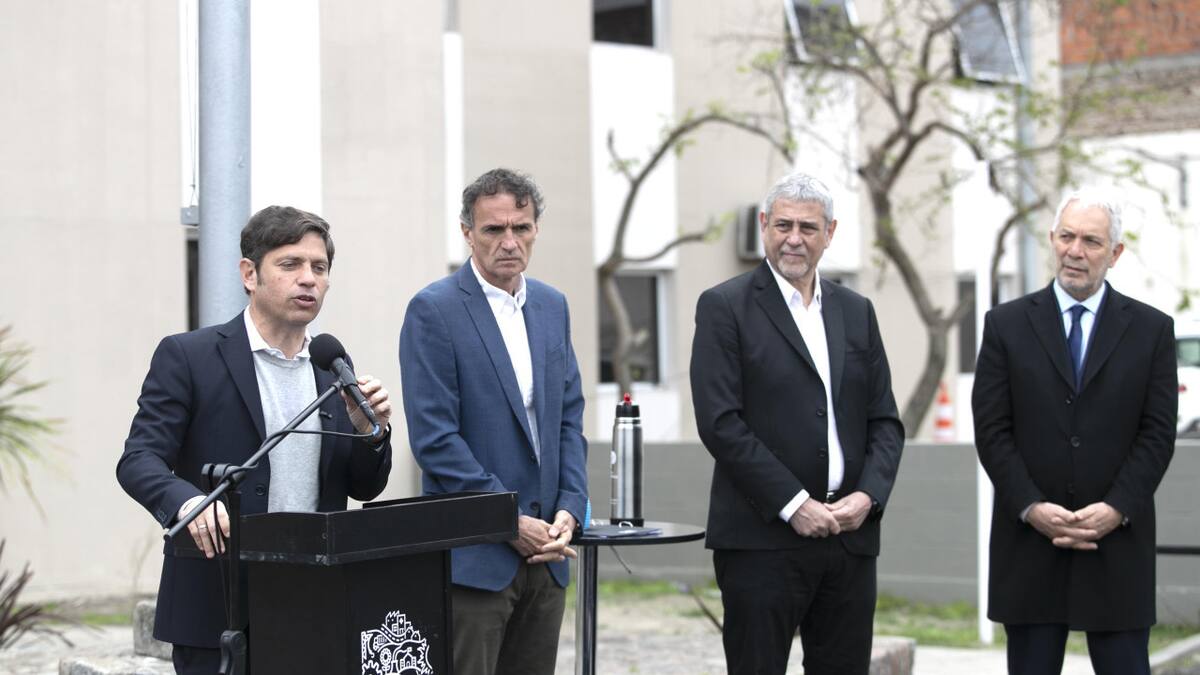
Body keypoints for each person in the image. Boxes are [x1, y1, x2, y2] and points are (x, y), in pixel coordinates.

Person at [117, 206, 393, 674]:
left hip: (313, 602)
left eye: (319, 268)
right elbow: (139, 460)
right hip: (216, 605)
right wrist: (187, 503)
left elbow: (364, 487)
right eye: (290, 265)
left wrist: (371, 432)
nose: (308, 279)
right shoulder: (190, 356)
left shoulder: (332, 370)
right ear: (250, 274)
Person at [689, 171, 904, 674]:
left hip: (849, 541)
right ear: (764, 225)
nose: (793, 238)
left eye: (808, 228)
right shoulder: (725, 307)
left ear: (830, 233)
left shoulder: (856, 312)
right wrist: (794, 503)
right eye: (782, 224)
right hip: (762, 541)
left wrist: (868, 497)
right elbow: (720, 423)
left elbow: (886, 422)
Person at [973, 188, 1176, 675]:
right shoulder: (1006, 325)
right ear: (1052, 239)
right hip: (1030, 546)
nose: (1075, 251)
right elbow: (992, 429)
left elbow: (1157, 433)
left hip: (1117, 546)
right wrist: (1031, 506)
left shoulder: (1151, 330)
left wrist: (1116, 509)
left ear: (1115, 253)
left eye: (1090, 241)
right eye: (1066, 236)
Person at [399, 168, 587, 675]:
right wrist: (506, 519)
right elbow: (435, 441)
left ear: (536, 229)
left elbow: (568, 419)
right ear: (467, 233)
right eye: (493, 230)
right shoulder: (433, 310)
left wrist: (572, 505)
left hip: (546, 554)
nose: (510, 241)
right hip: (476, 558)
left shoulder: (552, 305)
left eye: (521, 228)